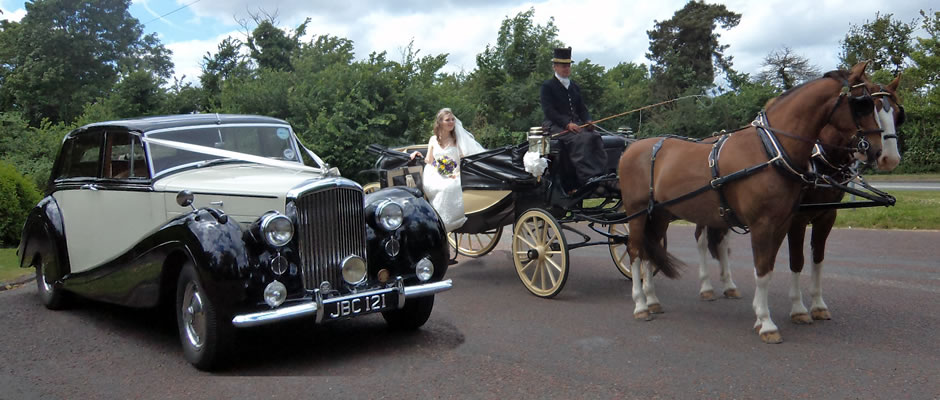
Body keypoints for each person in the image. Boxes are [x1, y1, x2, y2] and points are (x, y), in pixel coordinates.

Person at [539, 47, 608, 193]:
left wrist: (588, 121)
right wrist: (566, 123)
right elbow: (549, 111)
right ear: (555, 67)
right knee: (581, 140)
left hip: (576, 125)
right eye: (563, 66)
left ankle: (602, 175)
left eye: (568, 65)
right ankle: (586, 179)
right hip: (554, 125)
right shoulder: (548, 86)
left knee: (595, 137)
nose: (566, 68)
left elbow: (582, 108)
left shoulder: (574, 86)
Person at [410, 108, 485, 232]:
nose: (451, 122)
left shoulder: (457, 139)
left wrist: (455, 173)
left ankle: (451, 221)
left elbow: (464, 160)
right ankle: (439, 220)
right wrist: (417, 153)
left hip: (456, 172)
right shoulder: (433, 139)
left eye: (452, 120)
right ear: (440, 123)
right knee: (443, 187)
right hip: (435, 173)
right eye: (447, 120)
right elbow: (429, 160)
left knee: (452, 186)